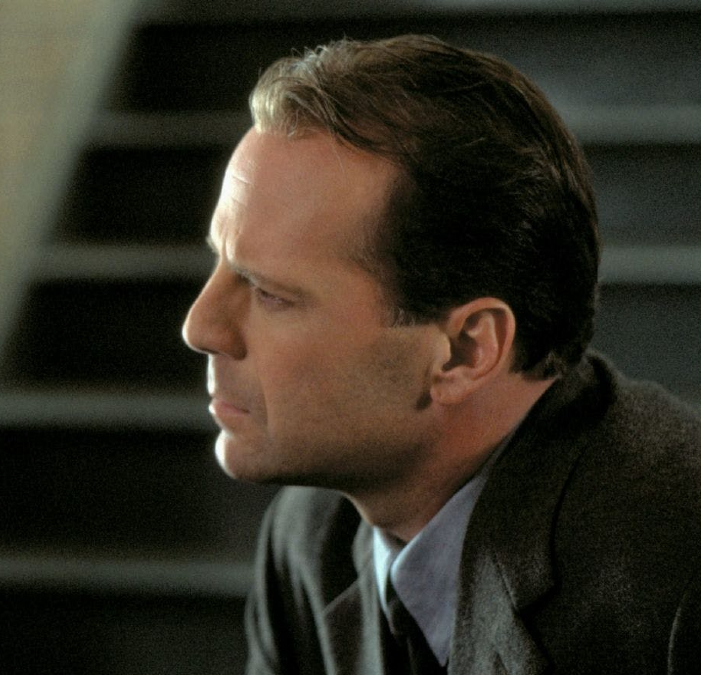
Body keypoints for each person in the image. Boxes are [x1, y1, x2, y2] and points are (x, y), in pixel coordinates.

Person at [182, 34, 701, 675]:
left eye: (270, 293)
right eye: (220, 262)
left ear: (465, 350)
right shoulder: (311, 537)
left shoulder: (678, 577)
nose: (200, 326)